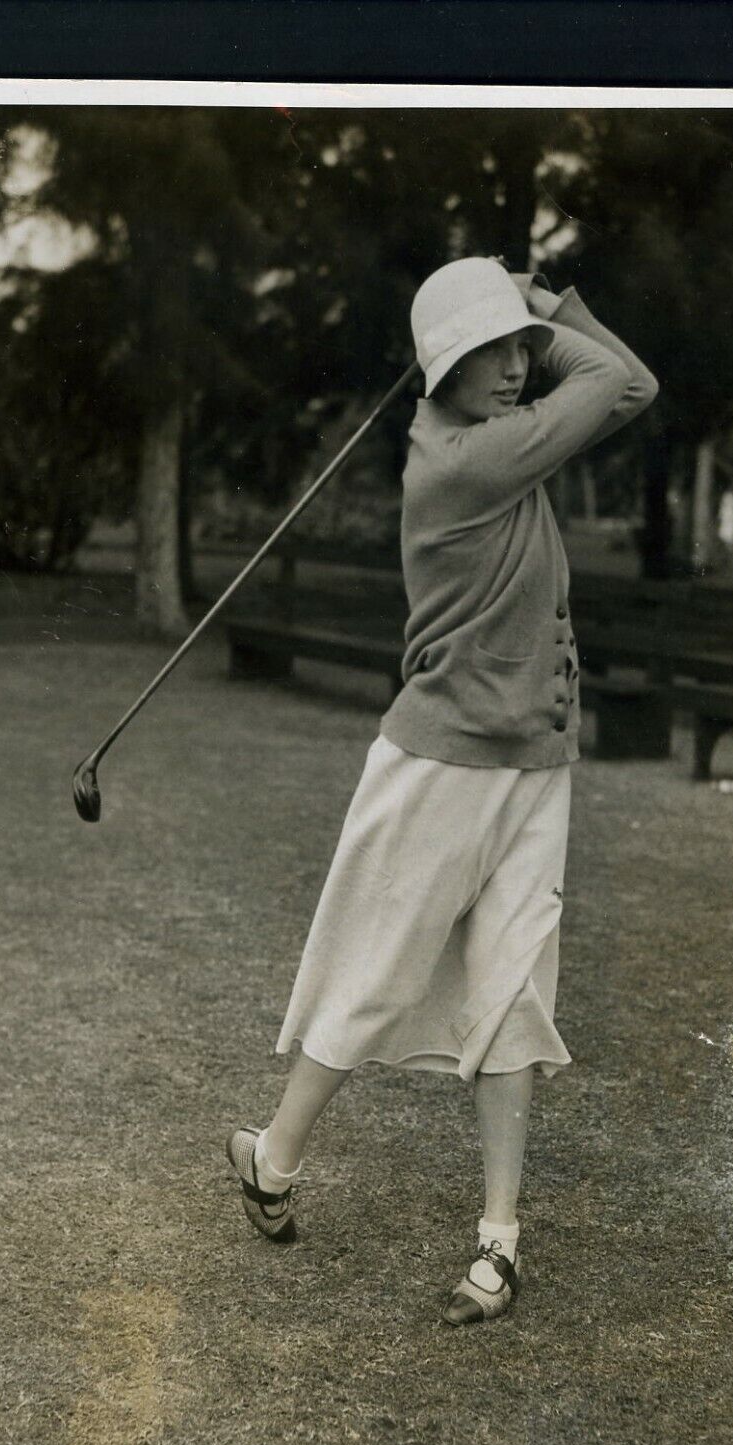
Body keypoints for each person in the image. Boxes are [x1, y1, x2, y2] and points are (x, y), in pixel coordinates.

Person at [227, 256, 658, 1325]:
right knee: (371, 972)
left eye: (517, 347)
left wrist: (525, 307)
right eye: (484, 354)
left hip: (532, 766)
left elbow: (633, 386)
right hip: (440, 763)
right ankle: (272, 1162)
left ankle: (497, 1245)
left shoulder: (495, 434)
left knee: (512, 994)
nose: (512, 367)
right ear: (438, 375)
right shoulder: (463, 463)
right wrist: (549, 306)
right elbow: (611, 383)